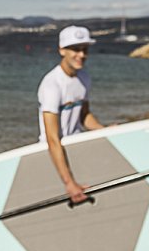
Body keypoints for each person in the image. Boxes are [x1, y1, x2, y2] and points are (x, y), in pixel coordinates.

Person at [37, 25, 105, 203]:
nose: (81, 55)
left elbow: (84, 116)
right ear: (62, 50)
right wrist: (68, 182)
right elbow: (52, 138)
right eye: (75, 49)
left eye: (85, 49)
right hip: (53, 153)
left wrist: (104, 131)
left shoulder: (84, 78)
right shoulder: (52, 85)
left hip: (75, 147)